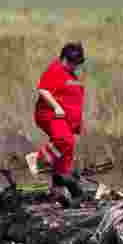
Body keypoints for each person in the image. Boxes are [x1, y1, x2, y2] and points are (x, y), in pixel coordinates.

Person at [34, 42, 87, 204]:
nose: (74, 66)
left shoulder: (72, 75)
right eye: (71, 62)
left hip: (67, 120)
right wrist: (56, 107)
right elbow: (43, 89)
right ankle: (37, 160)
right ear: (64, 58)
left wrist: (76, 123)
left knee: (66, 153)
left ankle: (58, 191)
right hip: (51, 114)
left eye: (76, 63)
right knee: (64, 141)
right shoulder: (55, 69)